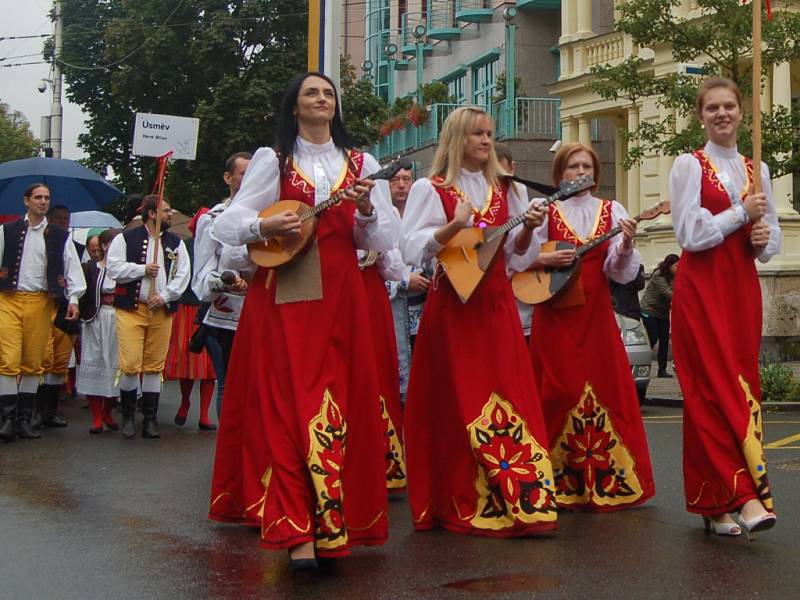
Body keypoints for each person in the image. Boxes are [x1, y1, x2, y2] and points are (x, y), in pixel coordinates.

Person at [209, 72, 398, 568]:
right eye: (312, 92)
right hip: (288, 293)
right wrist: (263, 224)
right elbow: (225, 225)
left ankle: (334, 524)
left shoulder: (363, 164)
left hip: (343, 297)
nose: (322, 99)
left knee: (343, 404)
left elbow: (381, 242)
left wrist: (365, 214)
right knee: (289, 405)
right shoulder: (275, 160)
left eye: (329, 93)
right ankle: (297, 532)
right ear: (294, 106)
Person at [400, 106, 558, 537]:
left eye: (489, 133)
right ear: (456, 138)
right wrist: (452, 227)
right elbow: (412, 249)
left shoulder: (510, 190)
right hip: (451, 308)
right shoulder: (429, 189)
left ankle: (520, 498)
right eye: (476, 134)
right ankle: (455, 496)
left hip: (497, 306)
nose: (485, 141)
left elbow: (521, 258)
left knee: (510, 393)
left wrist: (527, 230)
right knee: (455, 401)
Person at [669, 77, 780, 538]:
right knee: (709, 389)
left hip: (740, 290)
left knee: (739, 386)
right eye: (712, 107)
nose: (721, 114)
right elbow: (689, 235)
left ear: (741, 112)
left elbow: (772, 239)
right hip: (701, 291)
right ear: (701, 116)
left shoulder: (759, 169)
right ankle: (745, 497)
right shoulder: (688, 166)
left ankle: (714, 502)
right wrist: (740, 213)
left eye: (729, 106)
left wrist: (761, 237)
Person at [525, 142, 655, 511]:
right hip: (555, 314)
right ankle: (553, 479)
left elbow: (620, 271)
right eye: (573, 166)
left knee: (606, 391)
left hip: (596, 316)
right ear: (560, 173)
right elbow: (518, 260)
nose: (581, 172)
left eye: (587, 166)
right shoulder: (545, 210)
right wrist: (547, 256)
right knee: (557, 390)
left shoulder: (613, 210)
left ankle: (608, 478)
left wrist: (627, 242)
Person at [0, 184, 85, 441]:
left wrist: (73, 299)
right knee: (8, 358)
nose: (43, 201)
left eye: (46, 198)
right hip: (8, 299)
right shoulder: (7, 230)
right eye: (38, 197)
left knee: (33, 361)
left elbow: (72, 269)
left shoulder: (59, 235)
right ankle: (6, 419)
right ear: (26, 201)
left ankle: (24, 419)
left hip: (40, 301)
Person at [106, 195, 191, 439]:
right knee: (131, 364)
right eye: (166, 211)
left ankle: (150, 419)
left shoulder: (176, 242)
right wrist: (142, 270)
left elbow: (182, 275)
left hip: (160, 311)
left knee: (154, 366)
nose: (170, 215)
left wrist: (164, 296)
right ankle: (129, 416)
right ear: (152, 214)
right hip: (131, 309)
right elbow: (114, 268)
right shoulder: (125, 238)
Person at [191, 152, 252, 419]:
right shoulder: (214, 218)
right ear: (228, 178)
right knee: (228, 385)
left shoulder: (272, 214)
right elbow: (202, 279)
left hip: (263, 313)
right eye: (243, 173)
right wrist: (224, 283)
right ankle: (227, 454)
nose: (250, 178)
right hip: (226, 318)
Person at [164, 211, 217, 431]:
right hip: (187, 307)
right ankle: (185, 402)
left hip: (211, 308)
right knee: (188, 361)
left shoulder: (220, 243)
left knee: (210, 365)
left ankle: (204, 413)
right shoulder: (183, 246)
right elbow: (174, 275)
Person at [33, 204, 83, 429]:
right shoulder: (33, 241)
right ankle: (35, 410)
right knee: (42, 356)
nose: (64, 222)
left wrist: (73, 300)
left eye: (66, 218)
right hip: (40, 304)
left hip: (62, 305)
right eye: (59, 218)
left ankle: (50, 411)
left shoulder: (68, 243)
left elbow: (75, 275)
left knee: (60, 360)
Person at [384, 165, 430, 401]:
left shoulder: (424, 214)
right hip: (392, 308)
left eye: (407, 179)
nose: (402, 185)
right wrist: (403, 282)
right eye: (395, 180)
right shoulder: (380, 217)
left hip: (422, 307)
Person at [77, 228, 121, 433]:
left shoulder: (124, 268)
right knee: (94, 363)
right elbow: (81, 294)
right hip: (95, 319)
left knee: (114, 364)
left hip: (118, 319)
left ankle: (108, 412)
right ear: (104, 246)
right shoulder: (91, 268)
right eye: (112, 242)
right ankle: (96, 416)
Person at [495, 142, 534, 337]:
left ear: (512, 168)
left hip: (519, 293)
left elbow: (520, 251)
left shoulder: (518, 191)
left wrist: (528, 227)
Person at [641, 254, 679, 377]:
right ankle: (642, 366)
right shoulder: (659, 275)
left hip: (663, 312)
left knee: (664, 340)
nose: (678, 268)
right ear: (669, 265)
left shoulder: (676, 276)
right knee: (652, 338)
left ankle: (662, 370)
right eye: (676, 266)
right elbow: (668, 293)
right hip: (649, 310)